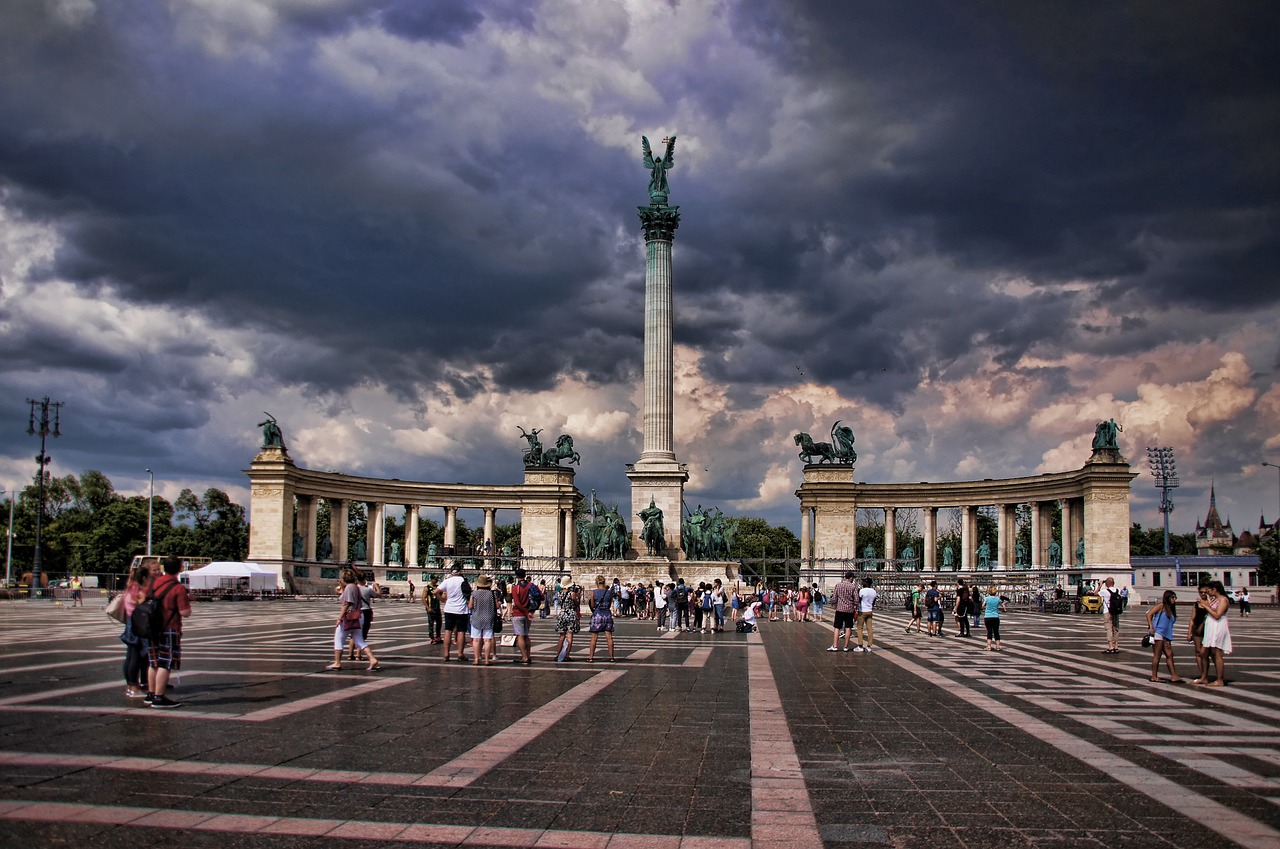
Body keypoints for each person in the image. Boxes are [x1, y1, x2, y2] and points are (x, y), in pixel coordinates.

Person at [145, 556, 193, 708]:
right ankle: (159, 697)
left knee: (153, 662)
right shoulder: (177, 587)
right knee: (166, 663)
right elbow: (185, 612)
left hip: (151, 628)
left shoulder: (153, 584)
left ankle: (151, 694)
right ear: (180, 568)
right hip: (169, 628)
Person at [330, 568, 381, 673]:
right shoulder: (356, 587)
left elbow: (346, 603)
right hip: (359, 615)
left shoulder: (349, 588)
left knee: (338, 638)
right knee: (359, 640)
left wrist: (339, 617)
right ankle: (372, 659)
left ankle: (337, 662)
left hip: (349, 616)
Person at [120, 562, 152, 698]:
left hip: (130, 623)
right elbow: (143, 605)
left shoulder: (130, 588)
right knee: (136, 657)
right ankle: (134, 687)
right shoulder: (139, 591)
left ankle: (131, 685)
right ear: (144, 578)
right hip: (137, 625)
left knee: (130, 657)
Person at [1195, 581, 1232, 686]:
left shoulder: (1223, 600)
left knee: (1217, 653)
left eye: (1210, 590)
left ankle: (1220, 679)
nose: (1208, 591)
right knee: (1203, 652)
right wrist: (1206, 601)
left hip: (1218, 626)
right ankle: (1204, 677)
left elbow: (1217, 615)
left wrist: (1206, 606)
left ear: (1215, 589)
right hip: (1211, 626)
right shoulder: (1215, 599)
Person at [1145, 590, 1183, 683]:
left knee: (1169, 655)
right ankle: (1154, 676)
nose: (1174, 600)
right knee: (1157, 655)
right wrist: (1151, 627)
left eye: (1175, 597)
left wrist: (1168, 639)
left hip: (1166, 635)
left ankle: (1174, 676)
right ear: (1168, 598)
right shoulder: (1161, 606)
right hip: (1158, 633)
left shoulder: (1171, 609)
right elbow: (1149, 614)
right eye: (1172, 597)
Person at [437, 564, 472, 663]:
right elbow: (468, 593)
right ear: (460, 571)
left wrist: (443, 600)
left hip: (449, 609)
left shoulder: (447, 581)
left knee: (448, 631)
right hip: (461, 609)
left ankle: (446, 654)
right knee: (461, 632)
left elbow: (436, 591)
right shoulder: (463, 581)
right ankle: (460, 654)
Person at [468, 575, 500, 665]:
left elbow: (470, 606)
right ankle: (486, 659)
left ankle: (476, 659)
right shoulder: (492, 594)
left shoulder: (474, 594)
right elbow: (497, 606)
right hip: (488, 618)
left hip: (476, 618)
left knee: (476, 639)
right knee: (487, 640)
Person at [508, 567, 535, 664]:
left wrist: (525, 612)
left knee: (520, 636)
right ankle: (528, 655)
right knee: (526, 635)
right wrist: (529, 612)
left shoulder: (516, 588)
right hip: (528, 614)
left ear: (516, 576)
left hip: (519, 613)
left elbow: (517, 603)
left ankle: (524, 657)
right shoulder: (530, 586)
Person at [588, 575, 617, 662]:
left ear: (596, 583)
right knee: (609, 637)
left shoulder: (593, 592)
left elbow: (592, 605)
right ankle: (612, 657)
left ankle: (591, 657)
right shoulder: (609, 592)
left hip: (597, 615)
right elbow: (609, 605)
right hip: (607, 615)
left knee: (594, 637)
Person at [827, 571, 857, 652]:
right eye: (853, 578)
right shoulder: (853, 587)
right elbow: (856, 600)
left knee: (837, 627)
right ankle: (846, 646)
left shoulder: (838, 585)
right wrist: (854, 606)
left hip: (840, 609)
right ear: (851, 578)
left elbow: (834, 598)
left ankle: (835, 646)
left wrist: (834, 605)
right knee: (848, 628)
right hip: (850, 610)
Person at [554, 580, 582, 662]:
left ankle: (558, 654)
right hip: (570, 613)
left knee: (561, 636)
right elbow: (576, 604)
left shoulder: (559, 593)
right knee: (569, 636)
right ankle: (566, 655)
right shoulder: (572, 593)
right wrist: (579, 598)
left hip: (562, 613)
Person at [1187, 584, 1210, 683]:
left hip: (1208, 629)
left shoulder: (1211, 603)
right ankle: (1202, 674)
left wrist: (1208, 600)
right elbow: (1192, 619)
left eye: (1205, 592)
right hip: (1196, 629)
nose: (1203, 594)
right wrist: (1189, 633)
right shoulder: (1196, 604)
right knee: (1198, 651)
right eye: (1201, 592)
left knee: (1205, 653)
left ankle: (1205, 674)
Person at [1100, 577, 1123, 654]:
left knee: (1109, 629)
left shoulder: (1105, 591)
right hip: (1116, 611)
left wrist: (1100, 585)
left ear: (1106, 584)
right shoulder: (1118, 591)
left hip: (1108, 612)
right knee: (1116, 628)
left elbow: (1095, 593)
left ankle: (1110, 646)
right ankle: (1116, 646)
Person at [854, 577, 877, 652]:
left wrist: (856, 609)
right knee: (869, 628)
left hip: (862, 610)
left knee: (860, 628)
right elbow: (874, 602)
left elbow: (858, 600)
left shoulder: (862, 591)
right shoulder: (874, 591)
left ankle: (860, 645)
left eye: (863, 582)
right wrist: (870, 607)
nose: (862, 583)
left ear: (866, 583)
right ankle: (869, 646)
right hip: (869, 610)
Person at [983, 586, 1006, 652]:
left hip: (988, 616)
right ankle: (998, 646)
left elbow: (983, 605)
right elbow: (1003, 605)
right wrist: (1004, 609)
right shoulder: (997, 599)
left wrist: (985, 607)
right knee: (996, 631)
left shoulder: (986, 598)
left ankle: (989, 646)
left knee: (989, 631)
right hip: (995, 616)